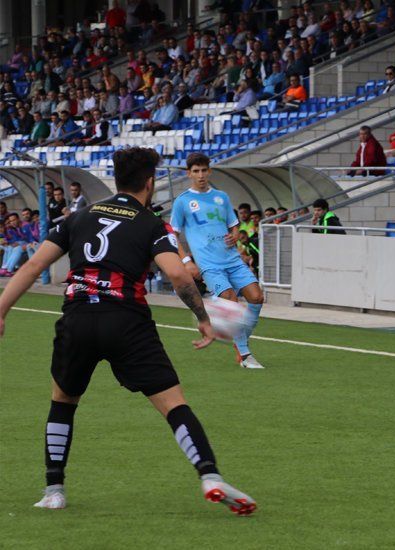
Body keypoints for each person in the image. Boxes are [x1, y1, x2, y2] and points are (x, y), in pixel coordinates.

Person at [0, 147, 256, 514]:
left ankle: (54, 490)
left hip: (79, 318)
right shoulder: (152, 223)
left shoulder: (79, 216)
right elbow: (179, 275)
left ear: (117, 180)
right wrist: (203, 316)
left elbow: (31, 267)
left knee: (63, 401)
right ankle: (209, 475)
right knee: (173, 405)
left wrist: (2, 310)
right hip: (127, 322)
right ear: (150, 183)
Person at [170, 153, 266, 370]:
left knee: (257, 297)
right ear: (189, 173)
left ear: (210, 171)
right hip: (209, 264)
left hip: (231, 258)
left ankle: (237, 337)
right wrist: (187, 260)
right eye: (196, 171)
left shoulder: (221, 197)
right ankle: (245, 354)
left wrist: (234, 233)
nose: (201, 175)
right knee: (231, 300)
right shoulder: (183, 201)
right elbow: (172, 235)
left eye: (204, 170)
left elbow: (234, 225)